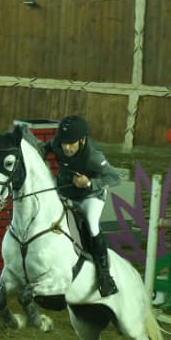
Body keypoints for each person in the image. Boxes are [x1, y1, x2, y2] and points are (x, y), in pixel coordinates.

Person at [44, 115, 122, 297]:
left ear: (82, 140)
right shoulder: (58, 143)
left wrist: (88, 182)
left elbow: (115, 177)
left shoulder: (93, 156)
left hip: (90, 195)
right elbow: (45, 148)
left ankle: (105, 277)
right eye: (64, 143)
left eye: (71, 143)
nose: (66, 147)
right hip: (66, 191)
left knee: (91, 225)